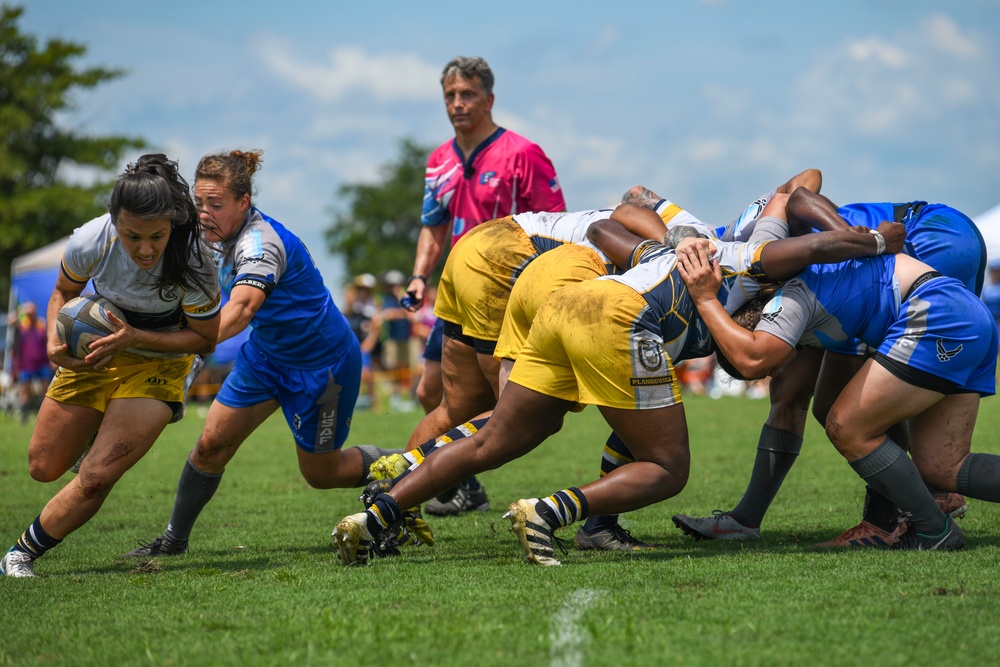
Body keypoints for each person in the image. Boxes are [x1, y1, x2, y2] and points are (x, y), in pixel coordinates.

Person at [333, 210, 903, 566]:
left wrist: (663, 245)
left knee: (494, 440)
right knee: (668, 467)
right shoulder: (737, 260)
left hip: (568, 307)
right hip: (615, 318)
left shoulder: (685, 253)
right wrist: (880, 241)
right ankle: (548, 513)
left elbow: (607, 229)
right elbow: (815, 249)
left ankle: (378, 513)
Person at [122, 149, 399, 559]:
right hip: (265, 358)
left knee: (321, 473)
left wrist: (167, 342)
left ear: (243, 202)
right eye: (200, 203)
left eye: (216, 205)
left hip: (321, 367)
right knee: (210, 445)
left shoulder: (260, 242)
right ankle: (173, 541)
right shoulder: (207, 234)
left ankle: (408, 467)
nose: (204, 213)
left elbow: (241, 310)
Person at [672, 190, 988, 547]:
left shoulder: (764, 263)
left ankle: (899, 522)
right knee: (928, 457)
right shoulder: (770, 277)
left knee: (847, 420)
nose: (772, 373)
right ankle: (918, 499)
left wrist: (867, 242)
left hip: (928, 240)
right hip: (933, 281)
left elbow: (798, 192)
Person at [0, 154, 222, 578]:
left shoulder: (194, 262)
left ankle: (20, 553)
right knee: (43, 466)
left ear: (172, 224)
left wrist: (136, 337)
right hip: (97, 351)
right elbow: (63, 292)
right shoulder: (91, 239)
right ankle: (100, 430)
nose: (144, 249)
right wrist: (52, 337)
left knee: (97, 475)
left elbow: (205, 339)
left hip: (163, 360)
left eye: (156, 236)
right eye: (131, 235)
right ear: (114, 222)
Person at [402, 56, 567, 513]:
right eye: (451, 96)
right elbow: (433, 227)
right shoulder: (439, 160)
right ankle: (460, 483)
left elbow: (556, 224)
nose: (458, 104)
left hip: (504, 294)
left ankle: (437, 479)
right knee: (427, 393)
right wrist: (419, 276)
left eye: (468, 94)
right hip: (456, 293)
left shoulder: (522, 153)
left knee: (508, 404)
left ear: (489, 99)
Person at [10, 301, 53, 424]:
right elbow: (10, 320)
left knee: (47, 390)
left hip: (42, 362)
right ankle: (24, 417)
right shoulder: (22, 324)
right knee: (25, 390)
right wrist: (21, 310)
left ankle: (46, 415)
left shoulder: (41, 324)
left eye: (31, 310)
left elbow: (47, 341)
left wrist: (51, 359)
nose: (30, 313)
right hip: (26, 364)